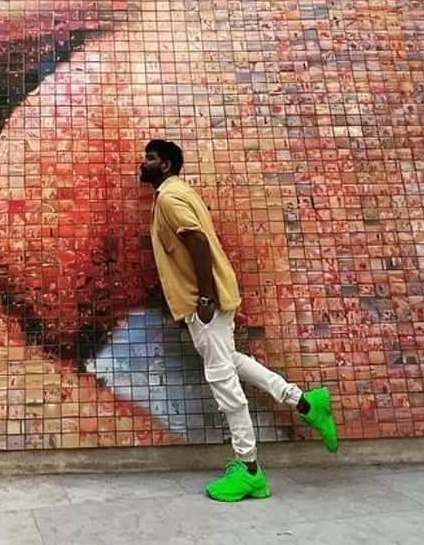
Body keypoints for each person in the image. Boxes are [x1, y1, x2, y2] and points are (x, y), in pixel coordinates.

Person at [138, 140, 339, 502]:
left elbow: (197, 242)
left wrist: (203, 297)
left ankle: (248, 469)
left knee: (221, 378)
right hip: (210, 300)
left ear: (166, 165)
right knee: (232, 362)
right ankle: (307, 403)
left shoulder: (169, 197)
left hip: (206, 304)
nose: (143, 163)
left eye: (150, 158)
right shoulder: (177, 192)